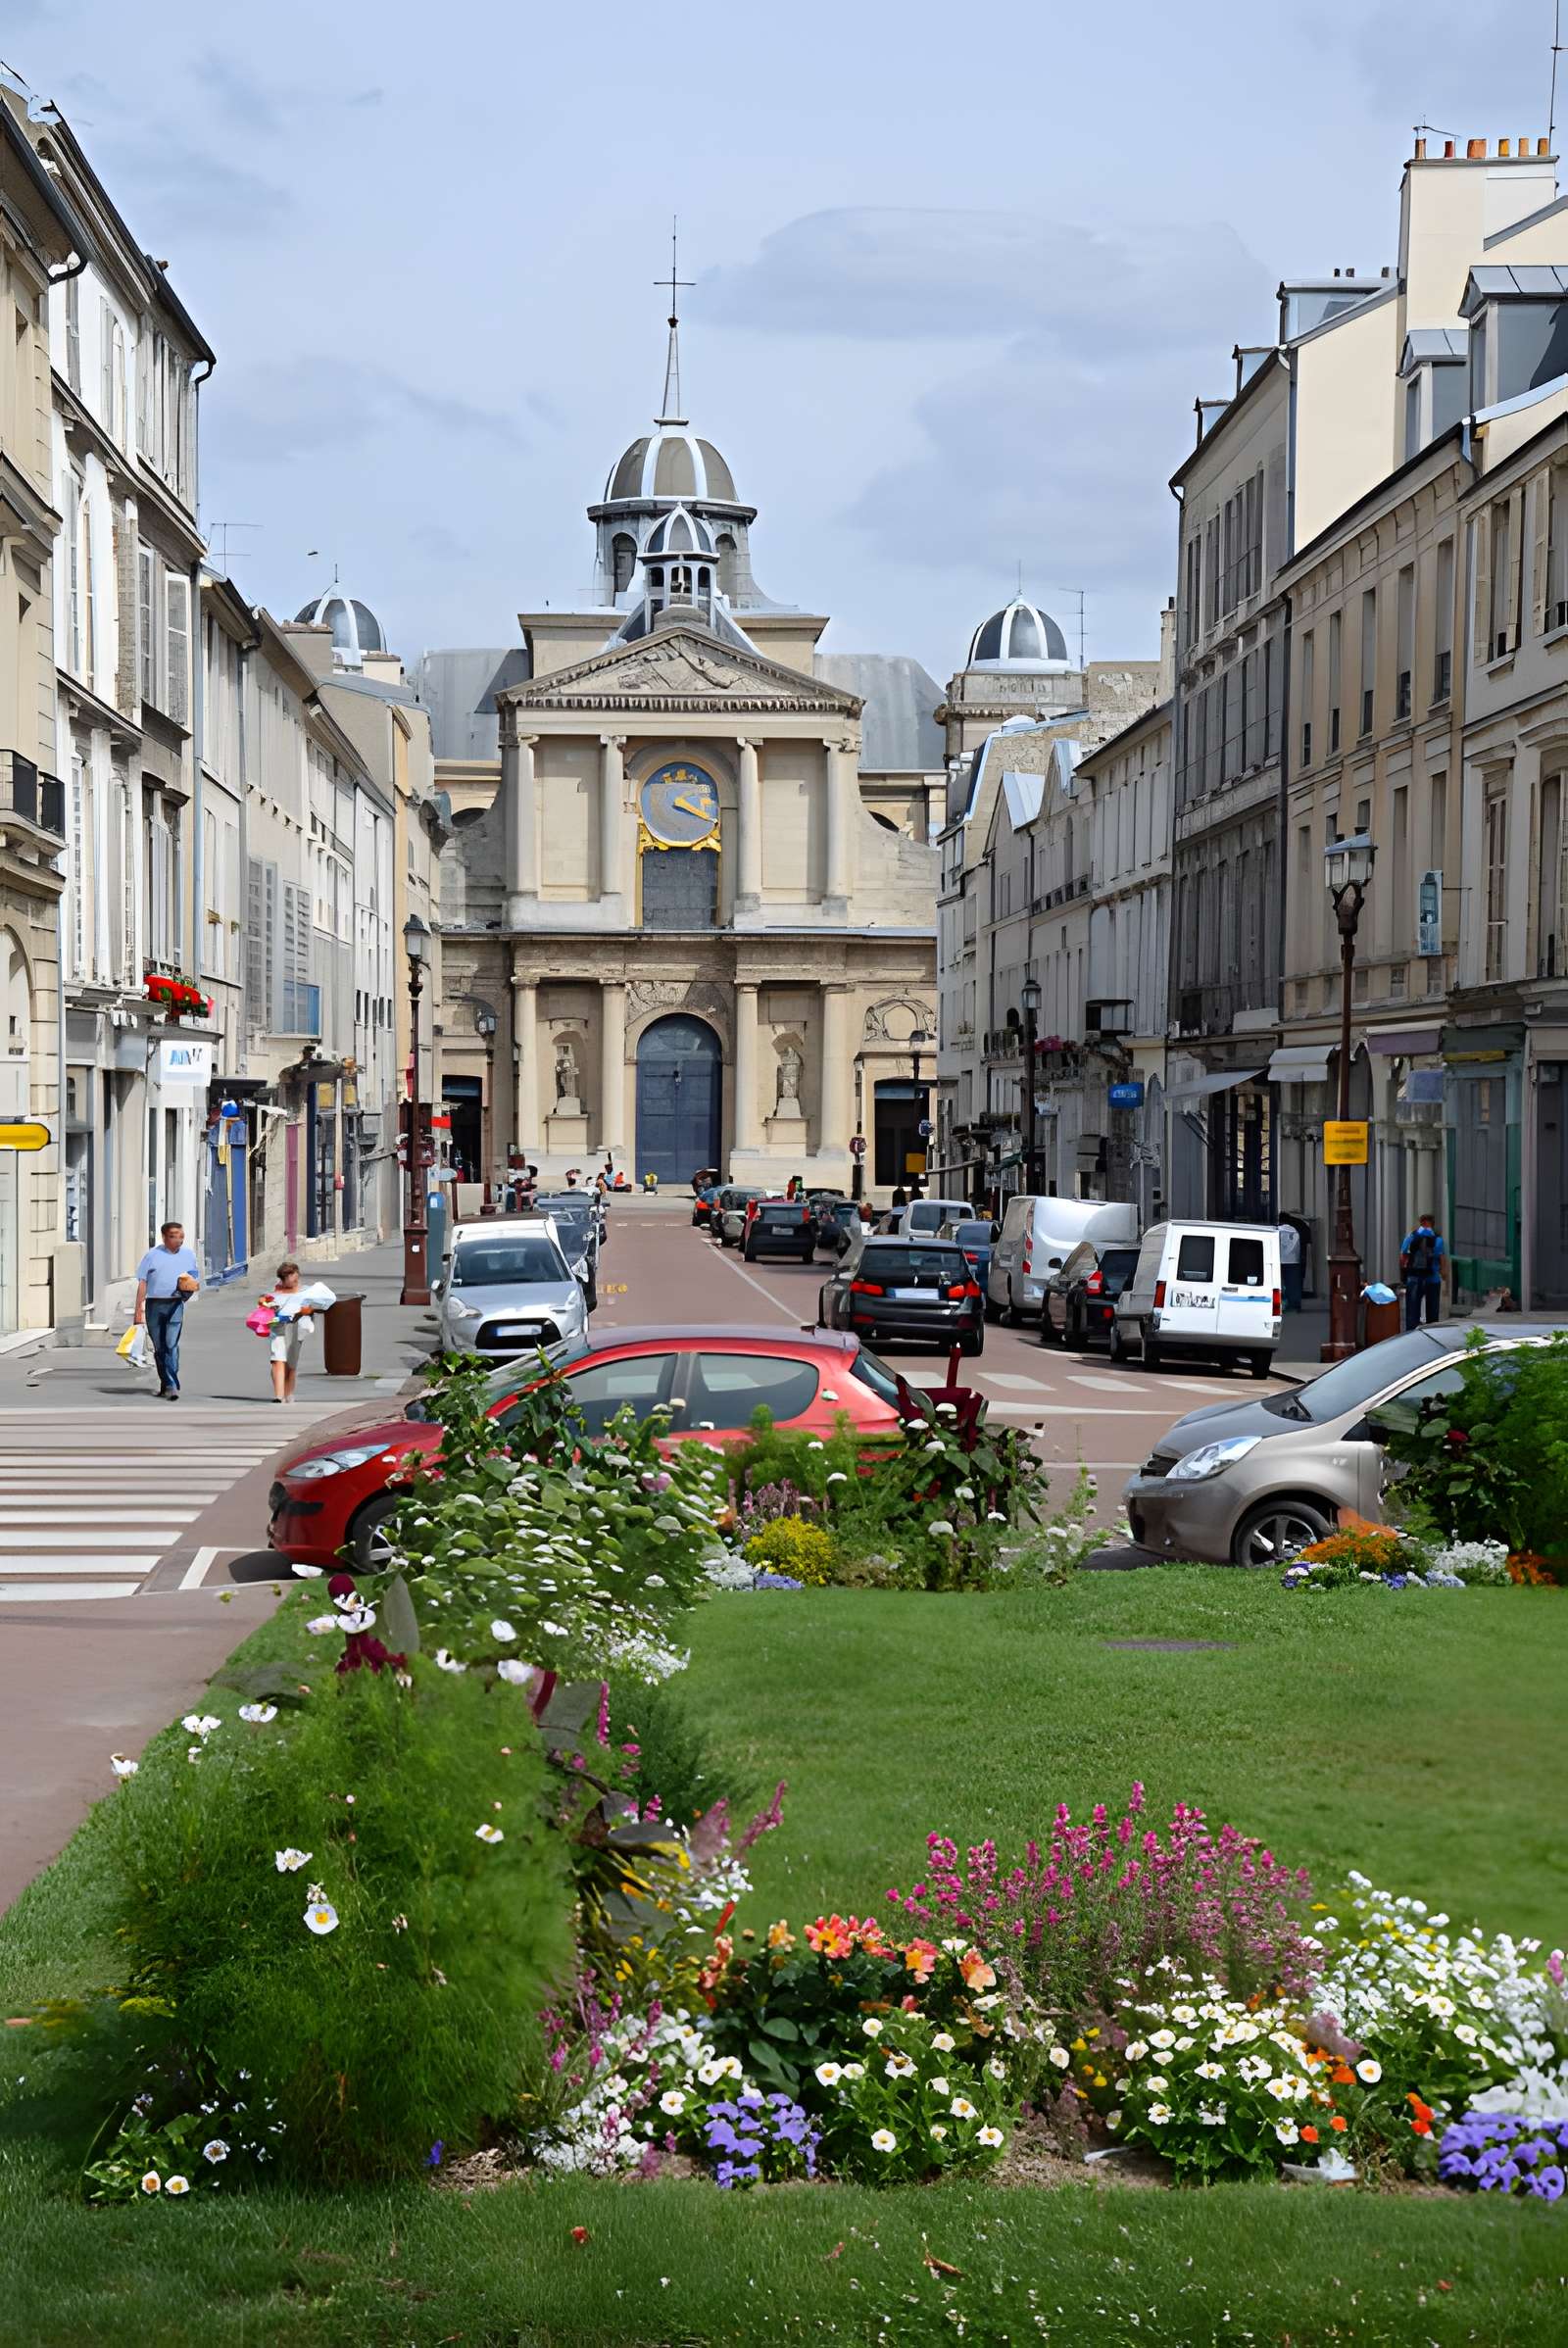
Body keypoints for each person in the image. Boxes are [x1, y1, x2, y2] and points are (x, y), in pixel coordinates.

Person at [133, 1221, 202, 1400]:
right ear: (164, 1237)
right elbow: (143, 1282)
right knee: (159, 1347)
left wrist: (187, 1290)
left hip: (175, 1304)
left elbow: (193, 1278)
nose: (178, 1239)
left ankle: (171, 1384)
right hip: (154, 1304)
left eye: (181, 1236)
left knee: (171, 1344)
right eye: (173, 1236)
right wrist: (138, 1311)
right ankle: (166, 1382)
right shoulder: (152, 1256)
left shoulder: (188, 1255)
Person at [264, 1260, 317, 1403]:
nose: (295, 1280)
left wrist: (307, 1310)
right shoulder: (274, 1294)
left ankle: (289, 1393)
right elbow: (264, 1306)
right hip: (279, 1329)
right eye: (291, 1278)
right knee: (277, 1359)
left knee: (291, 1363)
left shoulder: (305, 1291)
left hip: (296, 1329)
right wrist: (268, 1307)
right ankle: (279, 1396)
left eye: (296, 1277)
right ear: (282, 1279)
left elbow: (314, 1307)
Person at [1399, 1211, 1446, 1330]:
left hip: (1414, 1277)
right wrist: (1443, 1273)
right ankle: (1431, 1334)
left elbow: (1403, 1256)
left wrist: (1404, 1272)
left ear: (1421, 1222)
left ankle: (1410, 1335)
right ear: (1432, 1224)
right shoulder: (1438, 1240)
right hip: (1432, 1278)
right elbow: (1441, 1258)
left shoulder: (1411, 1237)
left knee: (1412, 1312)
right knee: (1432, 1312)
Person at [1278, 1215, 1304, 1312]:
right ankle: (1295, 1304)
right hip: (1294, 1261)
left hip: (1280, 1260)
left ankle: (1283, 1303)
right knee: (1293, 1284)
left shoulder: (1278, 1230)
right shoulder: (1294, 1230)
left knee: (1280, 1283)